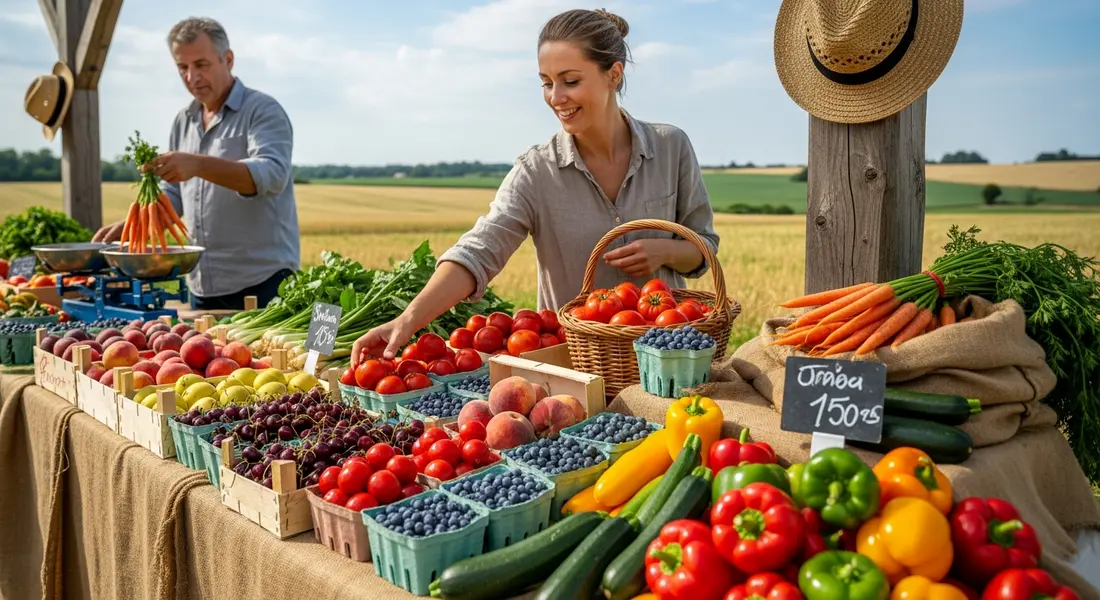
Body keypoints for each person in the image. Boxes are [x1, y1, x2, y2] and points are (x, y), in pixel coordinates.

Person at [351, 8, 720, 365]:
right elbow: (479, 251)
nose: (556, 97)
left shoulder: (671, 147)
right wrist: (409, 319)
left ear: (614, 75)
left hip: (670, 356)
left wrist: (664, 251)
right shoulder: (536, 171)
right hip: (576, 365)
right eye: (547, 82)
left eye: (570, 81)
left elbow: (704, 248)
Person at [93, 17, 300, 310]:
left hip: (264, 283)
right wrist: (136, 226)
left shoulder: (262, 111)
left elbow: (272, 174)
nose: (192, 77)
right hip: (202, 284)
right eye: (183, 68)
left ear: (227, 59)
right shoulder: (184, 121)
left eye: (201, 65)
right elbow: (175, 195)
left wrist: (198, 165)